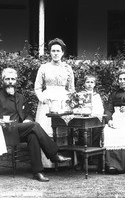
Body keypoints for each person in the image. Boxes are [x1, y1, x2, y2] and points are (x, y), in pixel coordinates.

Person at [0, 68, 71, 182]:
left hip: (19, 131)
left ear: (16, 81)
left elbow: (28, 113)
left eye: (13, 79)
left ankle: (37, 172)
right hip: (5, 132)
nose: (10, 81)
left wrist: (28, 120)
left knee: (33, 135)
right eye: (7, 79)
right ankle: (54, 155)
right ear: (2, 80)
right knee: (35, 126)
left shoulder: (20, 97)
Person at [34, 38, 75, 168]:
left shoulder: (68, 68)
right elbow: (37, 88)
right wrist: (42, 98)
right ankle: (48, 164)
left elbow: (72, 88)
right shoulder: (44, 68)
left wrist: (70, 101)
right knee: (46, 130)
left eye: (58, 51)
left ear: (63, 53)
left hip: (63, 101)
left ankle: (65, 163)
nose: (55, 53)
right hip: (48, 102)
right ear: (50, 53)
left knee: (63, 130)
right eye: (53, 51)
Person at [75, 74, 104, 170]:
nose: (89, 84)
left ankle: (92, 159)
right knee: (83, 138)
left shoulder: (96, 96)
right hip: (83, 119)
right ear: (84, 83)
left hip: (94, 119)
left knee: (96, 137)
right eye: (87, 82)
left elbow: (100, 109)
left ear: (95, 84)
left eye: (92, 82)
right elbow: (77, 107)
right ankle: (82, 161)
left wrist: (95, 114)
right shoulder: (80, 95)